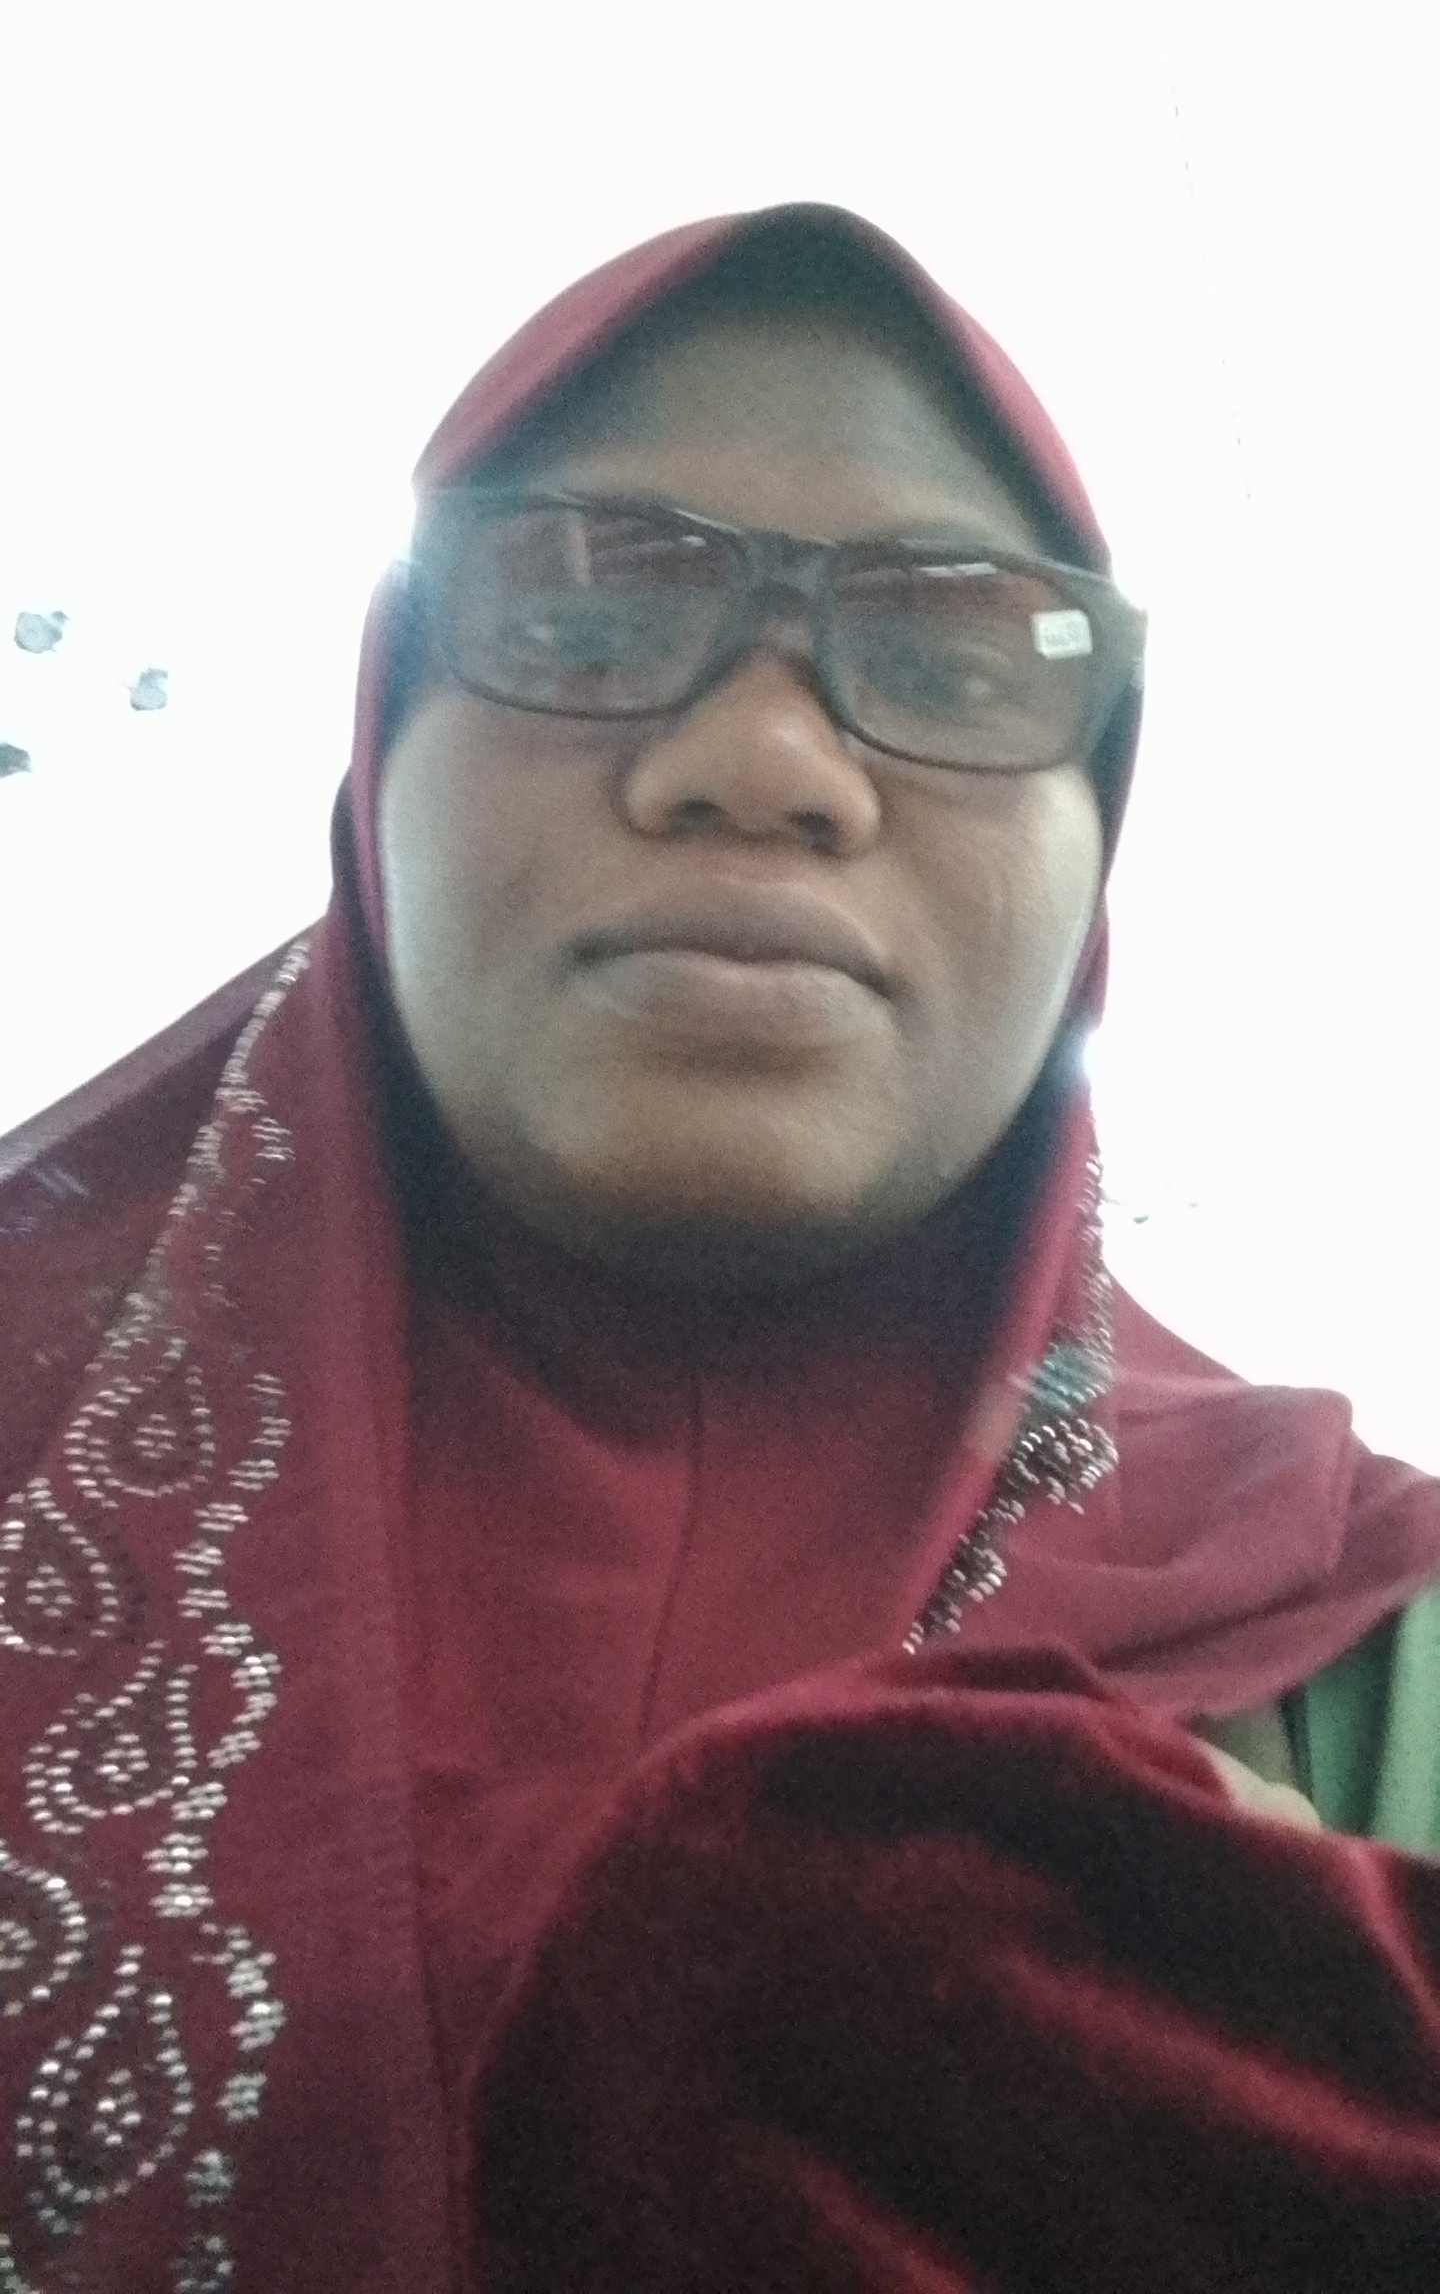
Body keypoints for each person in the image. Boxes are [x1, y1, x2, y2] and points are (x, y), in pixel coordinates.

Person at [2, 203, 1439, 2291]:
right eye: (588, 613)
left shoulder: (1363, 1652)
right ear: (379, 748)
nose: (760, 765)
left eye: (952, 656)